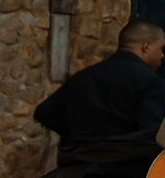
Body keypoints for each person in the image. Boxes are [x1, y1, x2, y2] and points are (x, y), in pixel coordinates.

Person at [34, 18, 165, 165]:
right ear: (146, 46)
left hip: (78, 167)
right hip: (124, 170)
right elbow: (152, 134)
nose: (162, 55)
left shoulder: (83, 77)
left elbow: (43, 113)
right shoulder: (150, 82)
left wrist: (76, 133)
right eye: (161, 49)